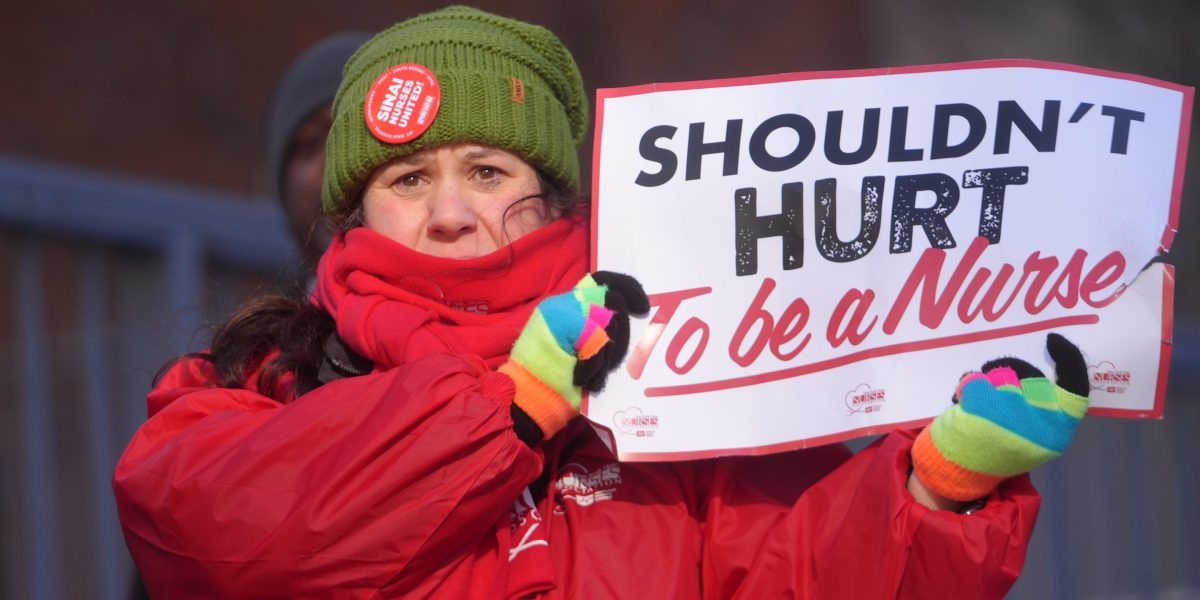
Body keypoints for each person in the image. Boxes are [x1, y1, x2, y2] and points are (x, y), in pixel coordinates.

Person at [112, 6, 1091, 598]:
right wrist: (508, 410)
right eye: (407, 181)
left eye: (489, 170)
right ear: (352, 211)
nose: (452, 212)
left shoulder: (688, 381)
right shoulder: (267, 379)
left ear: (556, 194)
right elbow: (219, 539)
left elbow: (797, 576)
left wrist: (933, 493)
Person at [263, 31, 370, 279]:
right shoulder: (262, 318)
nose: (338, 161)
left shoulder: (472, 313)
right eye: (312, 142)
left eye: (360, 133)